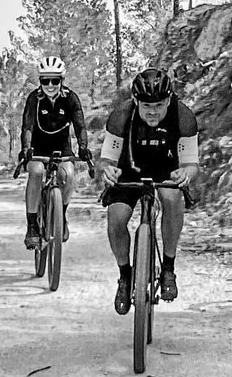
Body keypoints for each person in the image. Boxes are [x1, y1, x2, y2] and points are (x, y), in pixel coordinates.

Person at [99, 66, 198, 312]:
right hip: (129, 170)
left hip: (167, 170)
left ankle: (168, 268)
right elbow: (107, 160)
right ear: (136, 101)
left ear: (169, 100)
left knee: (172, 197)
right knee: (116, 218)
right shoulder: (121, 116)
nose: (152, 112)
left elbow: (190, 164)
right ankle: (125, 276)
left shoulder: (183, 117)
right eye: (146, 107)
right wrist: (108, 170)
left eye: (158, 106)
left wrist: (185, 174)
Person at [15, 55, 93, 250]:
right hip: (37, 147)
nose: (50, 85)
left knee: (68, 175)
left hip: (62, 148)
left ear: (62, 80)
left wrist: (83, 146)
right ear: (40, 81)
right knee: (37, 172)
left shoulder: (70, 98)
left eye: (55, 80)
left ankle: (61, 215)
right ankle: (32, 226)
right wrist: (26, 149)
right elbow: (27, 126)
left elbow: (80, 125)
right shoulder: (34, 98)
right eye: (45, 81)